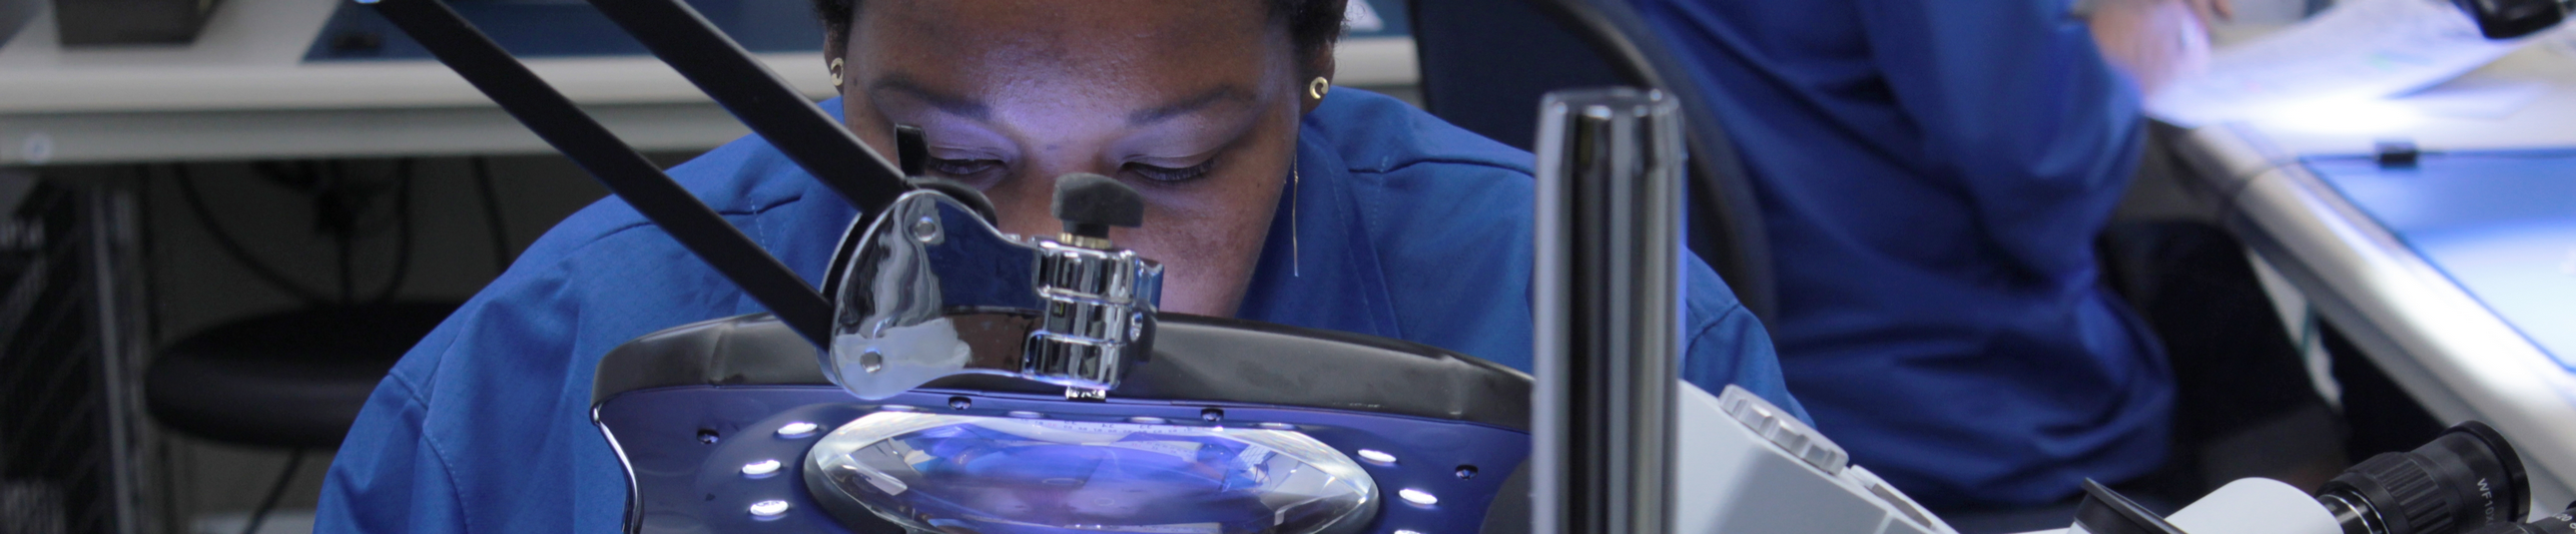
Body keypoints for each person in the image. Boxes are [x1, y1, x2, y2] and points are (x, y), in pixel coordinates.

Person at [316, 0, 1807, 530]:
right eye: (947, 164)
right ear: (835, 52)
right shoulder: (544, 371)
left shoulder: (1591, 322)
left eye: (1166, 169)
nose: (1043, 252)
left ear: (1315, 61)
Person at [1628, 0, 2333, 530]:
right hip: (1947, 415)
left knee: (2198, 274)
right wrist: (2126, 53)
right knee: (2267, 330)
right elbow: (2050, 170)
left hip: (1712, 385)